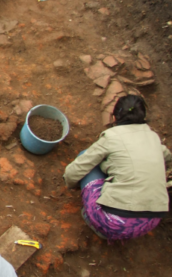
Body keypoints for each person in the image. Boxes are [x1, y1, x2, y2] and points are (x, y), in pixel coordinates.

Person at [63, 95, 172, 242]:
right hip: (148, 224)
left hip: (112, 223)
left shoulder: (111, 137)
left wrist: (70, 184)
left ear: (114, 117)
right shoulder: (154, 138)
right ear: (143, 117)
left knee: (88, 160)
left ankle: (97, 224)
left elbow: (74, 171)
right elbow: (167, 157)